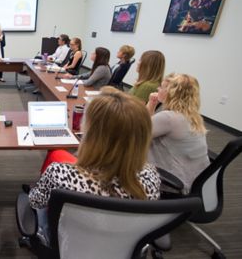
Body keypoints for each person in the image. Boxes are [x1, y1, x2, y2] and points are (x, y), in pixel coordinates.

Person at [28, 90, 160, 242]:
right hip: (124, 246)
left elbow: (35, 201)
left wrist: (39, 189)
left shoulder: (61, 173)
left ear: (91, 133)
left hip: (70, 243)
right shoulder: (151, 177)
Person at [146, 73, 209, 193]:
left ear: (171, 93)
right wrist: (153, 103)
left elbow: (135, 132)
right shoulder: (193, 116)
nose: (158, 89)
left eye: (161, 87)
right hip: (193, 179)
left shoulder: (168, 118)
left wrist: (149, 105)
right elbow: (147, 126)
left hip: (173, 182)